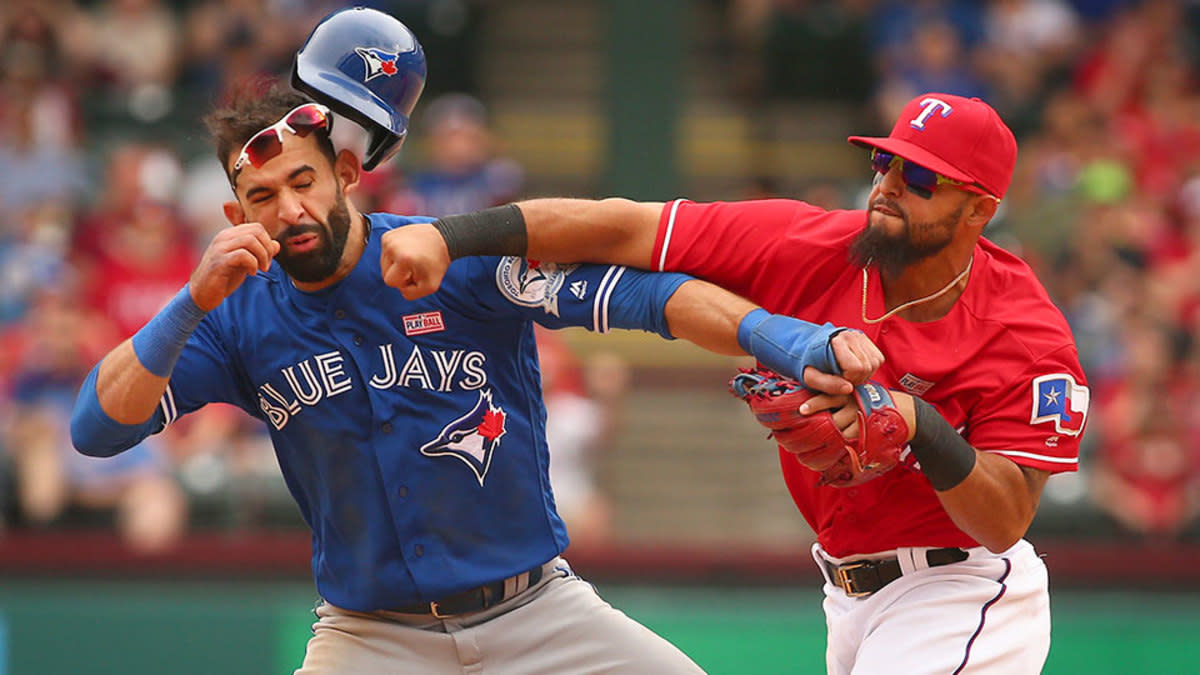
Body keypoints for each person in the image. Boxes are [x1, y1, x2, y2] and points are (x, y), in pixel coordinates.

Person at [70, 8, 885, 673]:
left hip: (540, 615)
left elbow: (650, 298)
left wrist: (790, 340)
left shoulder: (447, 256)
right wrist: (188, 302)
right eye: (260, 196)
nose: (288, 209)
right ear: (235, 216)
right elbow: (96, 429)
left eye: (303, 180)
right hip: (370, 637)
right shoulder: (234, 317)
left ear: (347, 175)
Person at [379, 92, 1090, 674]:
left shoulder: (1024, 333)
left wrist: (920, 422)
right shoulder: (810, 244)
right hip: (847, 593)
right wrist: (451, 236)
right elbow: (624, 228)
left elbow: (1004, 520)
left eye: (922, 178)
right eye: (886, 162)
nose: (890, 187)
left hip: (961, 587)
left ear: (979, 209)